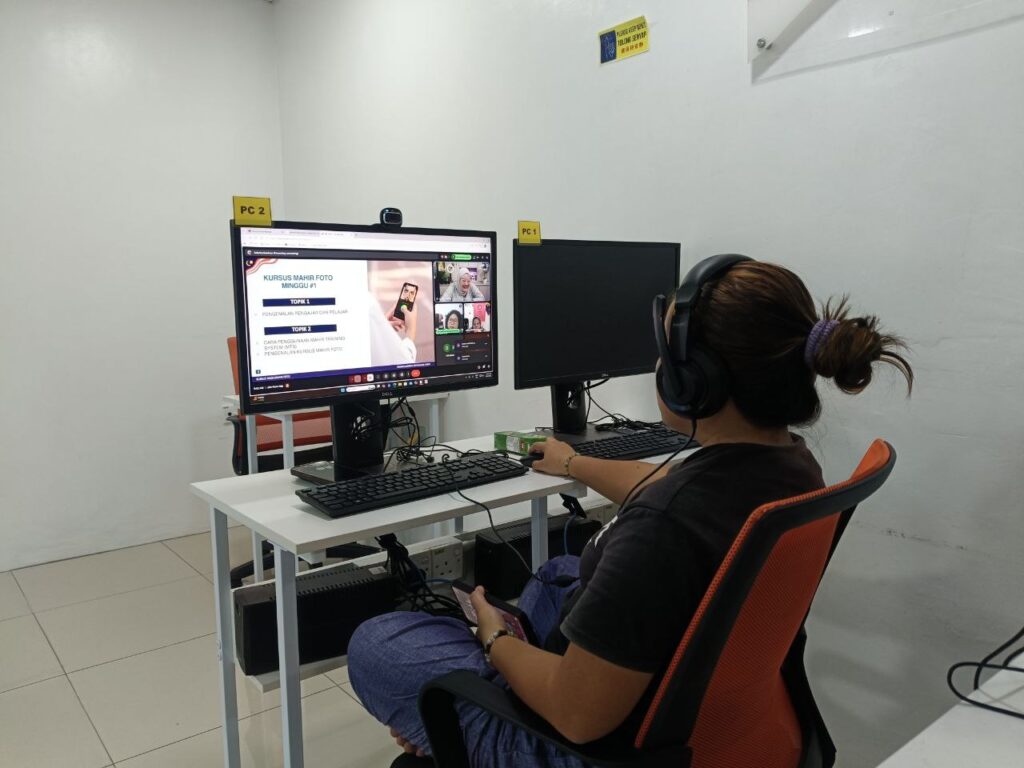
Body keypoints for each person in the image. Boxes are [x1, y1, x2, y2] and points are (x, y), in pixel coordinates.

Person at [347, 258, 913, 768]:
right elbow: (665, 485)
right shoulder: (788, 464)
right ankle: (479, 693)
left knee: (379, 644)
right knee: (555, 575)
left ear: (695, 382)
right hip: (697, 711)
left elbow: (577, 715)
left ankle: (469, 714)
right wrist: (574, 462)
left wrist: (497, 640)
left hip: (586, 742)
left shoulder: (663, 528)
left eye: (667, 356)